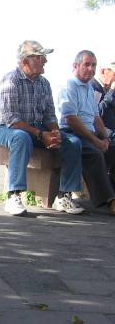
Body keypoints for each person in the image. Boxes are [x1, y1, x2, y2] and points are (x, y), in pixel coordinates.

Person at [0, 40, 84, 216]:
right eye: (41, 57)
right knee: (21, 137)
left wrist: (55, 133)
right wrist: (41, 135)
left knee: (73, 142)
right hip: (6, 129)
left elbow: (49, 114)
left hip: (35, 128)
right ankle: (14, 195)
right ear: (26, 61)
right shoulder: (11, 80)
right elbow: (11, 120)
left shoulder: (44, 83)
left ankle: (63, 196)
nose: (45, 61)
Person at [57, 50, 115, 215]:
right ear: (75, 66)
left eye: (93, 65)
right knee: (94, 153)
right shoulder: (69, 85)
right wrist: (96, 141)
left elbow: (96, 117)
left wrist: (106, 136)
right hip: (70, 132)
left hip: (88, 133)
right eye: (87, 64)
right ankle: (110, 200)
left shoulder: (89, 87)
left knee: (113, 148)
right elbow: (71, 120)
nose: (91, 69)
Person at [93, 61, 115, 130]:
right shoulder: (94, 87)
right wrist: (111, 91)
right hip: (101, 133)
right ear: (102, 72)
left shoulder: (106, 88)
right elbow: (95, 112)